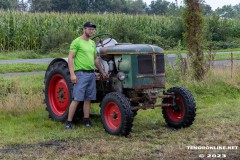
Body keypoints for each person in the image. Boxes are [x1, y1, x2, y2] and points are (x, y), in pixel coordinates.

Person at [65, 22, 108, 129]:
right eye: (89, 29)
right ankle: (69, 122)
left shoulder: (92, 43)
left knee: (88, 99)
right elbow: (70, 58)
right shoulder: (77, 41)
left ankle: (86, 120)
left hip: (90, 74)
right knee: (77, 98)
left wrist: (102, 72)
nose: (91, 31)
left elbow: (95, 60)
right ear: (84, 29)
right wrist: (72, 74)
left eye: (93, 30)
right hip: (80, 73)